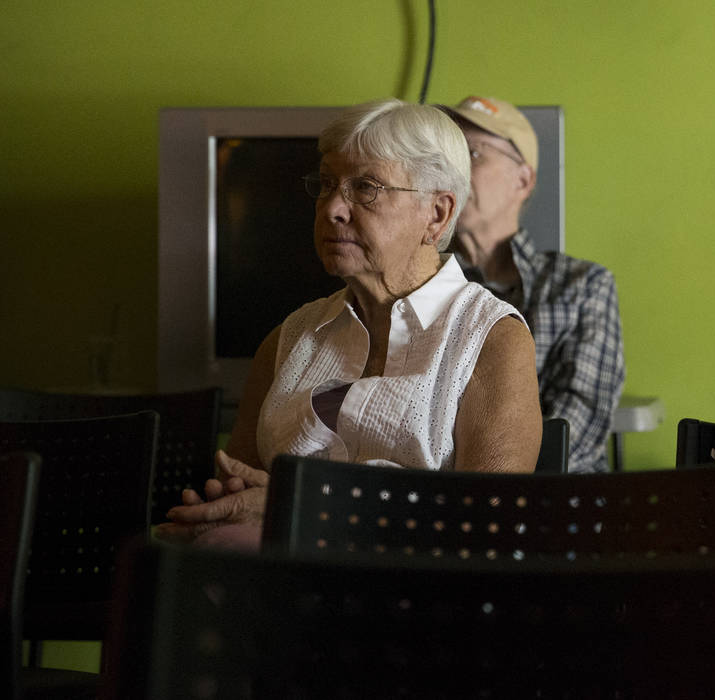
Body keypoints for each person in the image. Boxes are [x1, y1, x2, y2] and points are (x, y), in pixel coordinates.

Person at [156, 98, 542, 547]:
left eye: (366, 188)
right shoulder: (288, 340)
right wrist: (214, 515)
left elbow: (488, 523)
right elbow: (242, 492)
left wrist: (302, 506)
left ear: (436, 214)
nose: (332, 209)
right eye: (326, 184)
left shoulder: (491, 339)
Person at [439, 96, 625, 473]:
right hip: (444, 497)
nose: (450, 168)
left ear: (523, 180)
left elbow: (575, 431)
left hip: (550, 498)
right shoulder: (425, 287)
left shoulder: (583, 286)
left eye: (472, 153)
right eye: (446, 153)